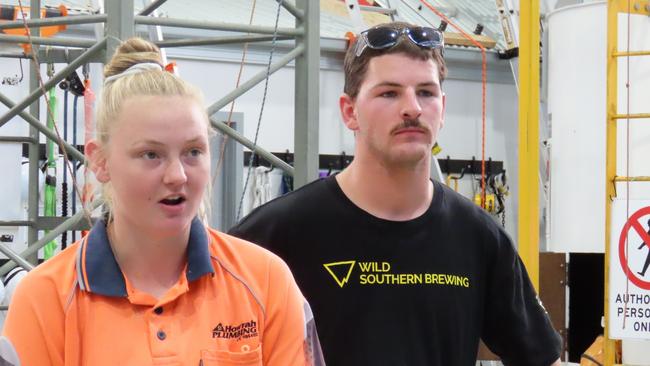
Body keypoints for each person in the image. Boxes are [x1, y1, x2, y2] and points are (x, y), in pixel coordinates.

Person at [230, 21, 562, 365]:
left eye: (426, 92)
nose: (412, 108)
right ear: (349, 111)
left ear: (443, 109)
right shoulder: (274, 237)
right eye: (389, 93)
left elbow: (539, 356)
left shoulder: (479, 238)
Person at [2, 38, 323, 366]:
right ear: (99, 161)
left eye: (193, 152)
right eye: (151, 154)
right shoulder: (46, 299)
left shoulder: (266, 281)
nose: (178, 176)